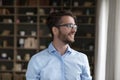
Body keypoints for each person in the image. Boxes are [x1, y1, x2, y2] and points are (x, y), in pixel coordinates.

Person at [26, 10, 92, 80]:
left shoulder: (82, 58)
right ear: (55, 30)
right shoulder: (36, 60)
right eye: (69, 26)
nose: (74, 30)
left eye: (74, 26)